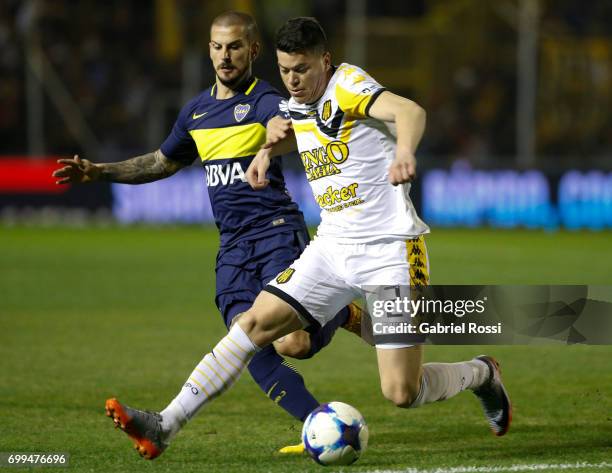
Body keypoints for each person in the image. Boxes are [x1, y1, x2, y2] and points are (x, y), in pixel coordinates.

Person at [101, 16, 512, 460]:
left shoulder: (348, 85)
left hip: (390, 250)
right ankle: (165, 423)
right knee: (253, 326)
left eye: (302, 69)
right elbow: (302, 131)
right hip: (332, 249)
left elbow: (410, 111)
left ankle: (482, 373)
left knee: (401, 391)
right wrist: (264, 152)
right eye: (284, 71)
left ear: (325, 61)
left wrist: (405, 151)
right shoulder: (296, 104)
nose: (293, 81)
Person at [52, 11, 362, 455]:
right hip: (233, 248)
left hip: (276, 233)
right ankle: (318, 423)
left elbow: (300, 121)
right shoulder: (196, 112)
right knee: (250, 343)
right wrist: (100, 172)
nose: (225, 56)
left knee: (294, 343)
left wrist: (282, 130)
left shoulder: (266, 100)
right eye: (217, 47)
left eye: (235, 46)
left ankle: (339, 313)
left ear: (253, 51)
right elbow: (162, 162)